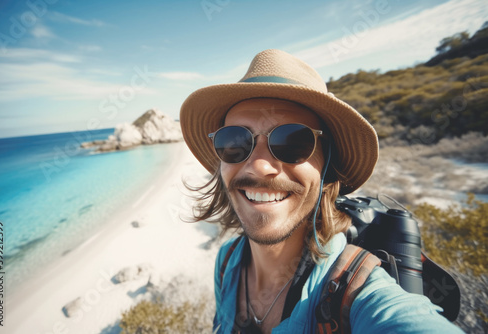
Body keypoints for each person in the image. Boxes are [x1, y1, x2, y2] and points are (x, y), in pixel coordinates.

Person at [179, 49, 464, 333]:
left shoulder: (360, 295)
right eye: (235, 142)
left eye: (293, 143)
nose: (259, 166)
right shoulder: (228, 260)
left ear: (327, 168)